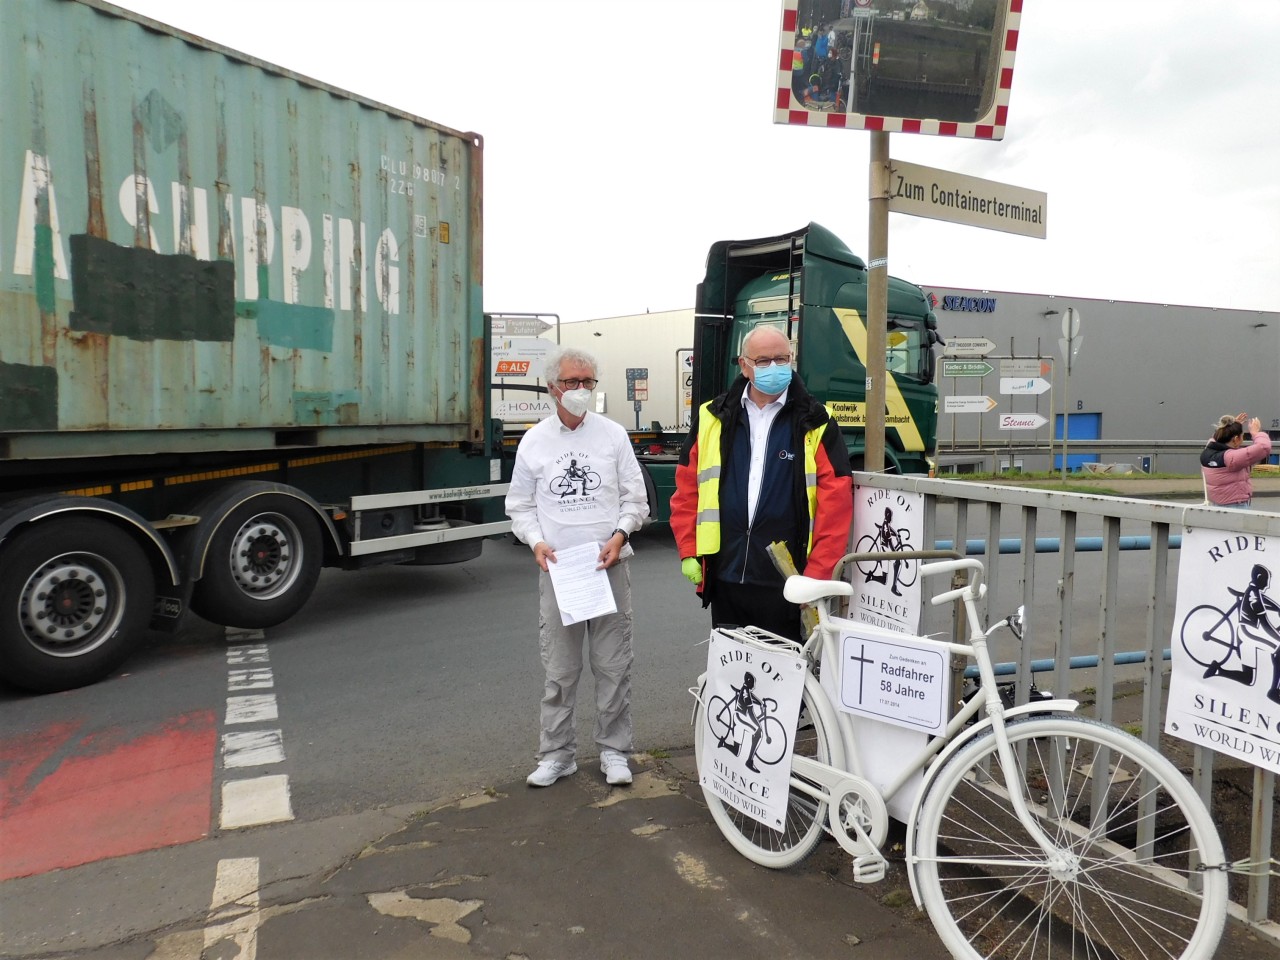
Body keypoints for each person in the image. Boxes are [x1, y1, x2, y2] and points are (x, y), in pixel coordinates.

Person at [505, 347, 649, 788]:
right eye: (572, 382)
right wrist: (536, 541)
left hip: (606, 567)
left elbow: (635, 498)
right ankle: (556, 754)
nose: (581, 390)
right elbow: (520, 505)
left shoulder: (612, 436)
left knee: (612, 666)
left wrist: (621, 534)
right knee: (560, 670)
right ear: (553, 388)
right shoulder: (535, 441)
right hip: (559, 572)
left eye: (588, 382)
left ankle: (614, 751)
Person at [670, 326, 854, 642]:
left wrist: (817, 574)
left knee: (783, 678)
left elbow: (836, 505)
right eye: (764, 360)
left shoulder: (816, 421)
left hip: (787, 580)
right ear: (744, 365)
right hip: (726, 574)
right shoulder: (714, 417)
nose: (774, 367)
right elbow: (688, 488)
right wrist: (689, 550)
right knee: (731, 674)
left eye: (782, 359)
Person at [1201, 413, 1272, 508]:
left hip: (1218, 503)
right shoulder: (1231, 458)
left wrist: (1230, 427)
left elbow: (1215, 438)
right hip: (1236, 504)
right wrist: (1256, 433)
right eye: (1242, 436)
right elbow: (1264, 447)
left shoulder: (1209, 449)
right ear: (1236, 439)